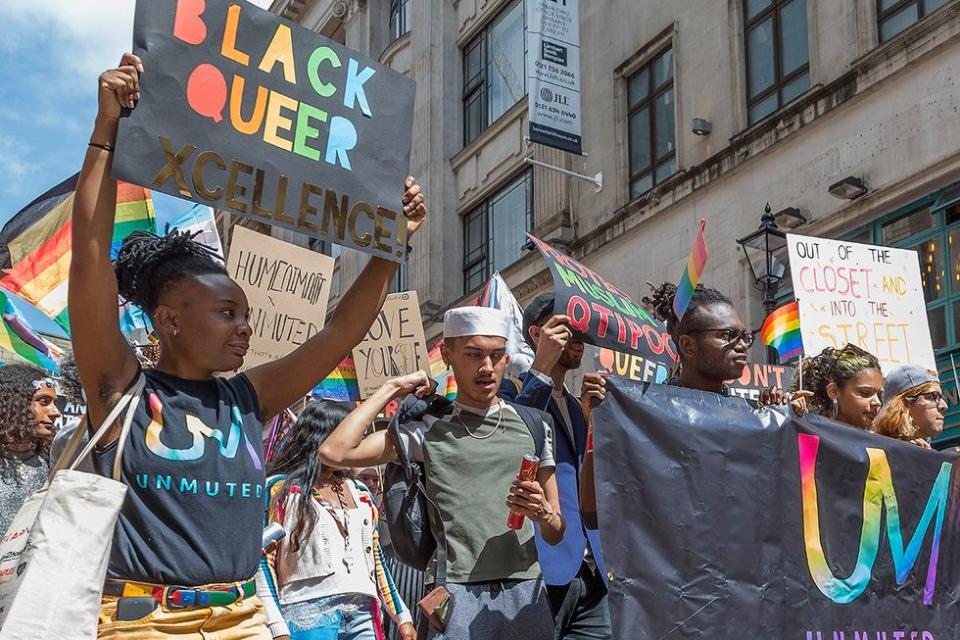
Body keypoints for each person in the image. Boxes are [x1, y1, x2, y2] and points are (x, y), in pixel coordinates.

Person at [70, 54, 427, 639]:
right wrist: (106, 133)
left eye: (247, 315)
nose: (244, 328)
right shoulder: (119, 389)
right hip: (141, 624)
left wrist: (391, 245)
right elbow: (89, 257)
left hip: (243, 619)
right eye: (226, 312)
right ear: (169, 320)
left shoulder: (249, 396)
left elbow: (340, 333)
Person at [317, 307, 561, 640]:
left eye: (497, 355)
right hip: (456, 597)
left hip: (526, 594)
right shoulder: (426, 430)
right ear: (447, 355)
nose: (487, 367)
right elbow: (334, 452)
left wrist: (543, 512)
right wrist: (391, 388)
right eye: (474, 355)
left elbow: (556, 530)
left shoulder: (535, 424)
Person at [499, 293, 611, 640]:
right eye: (565, 327)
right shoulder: (506, 392)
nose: (577, 337)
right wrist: (542, 368)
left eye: (580, 329)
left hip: (590, 570)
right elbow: (514, 442)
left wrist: (594, 416)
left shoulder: (578, 408)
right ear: (536, 335)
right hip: (540, 570)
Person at [256, 400, 415, 640]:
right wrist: (277, 627)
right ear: (322, 436)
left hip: (364, 614)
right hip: (306, 617)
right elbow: (262, 562)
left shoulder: (360, 492)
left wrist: (402, 615)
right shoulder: (279, 489)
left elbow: (375, 560)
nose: (356, 444)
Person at [644, 283, 754, 394]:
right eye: (727, 335)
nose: (743, 345)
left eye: (744, 336)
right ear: (688, 346)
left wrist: (768, 409)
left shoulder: (750, 408)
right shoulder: (651, 406)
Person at [0, 364, 61, 537]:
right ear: (15, 404)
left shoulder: (52, 463)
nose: (55, 412)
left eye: (54, 403)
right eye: (44, 402)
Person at [789, 345, 883, 429]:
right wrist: (786, 412)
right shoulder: (809, 435)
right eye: (865, 393)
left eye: (879, 395)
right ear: (833, 391)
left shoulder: (883, 445)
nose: (877, 403)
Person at [873, 365, 947, 448]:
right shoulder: (882, 452)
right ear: (903, 404)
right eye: (932, 396)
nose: (944, 406)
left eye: (941, 397)